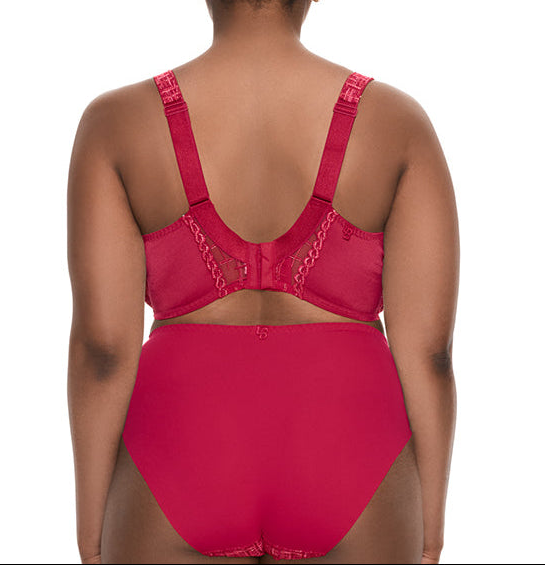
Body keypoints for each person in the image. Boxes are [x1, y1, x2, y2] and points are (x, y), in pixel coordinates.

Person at [67, 0, 459, 563]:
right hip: (346, 447)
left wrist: (90, 531)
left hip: (182, 446)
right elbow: (431, 354)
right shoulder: (397, 123)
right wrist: (430, 527)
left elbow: (102, 351)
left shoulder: (115, 123)